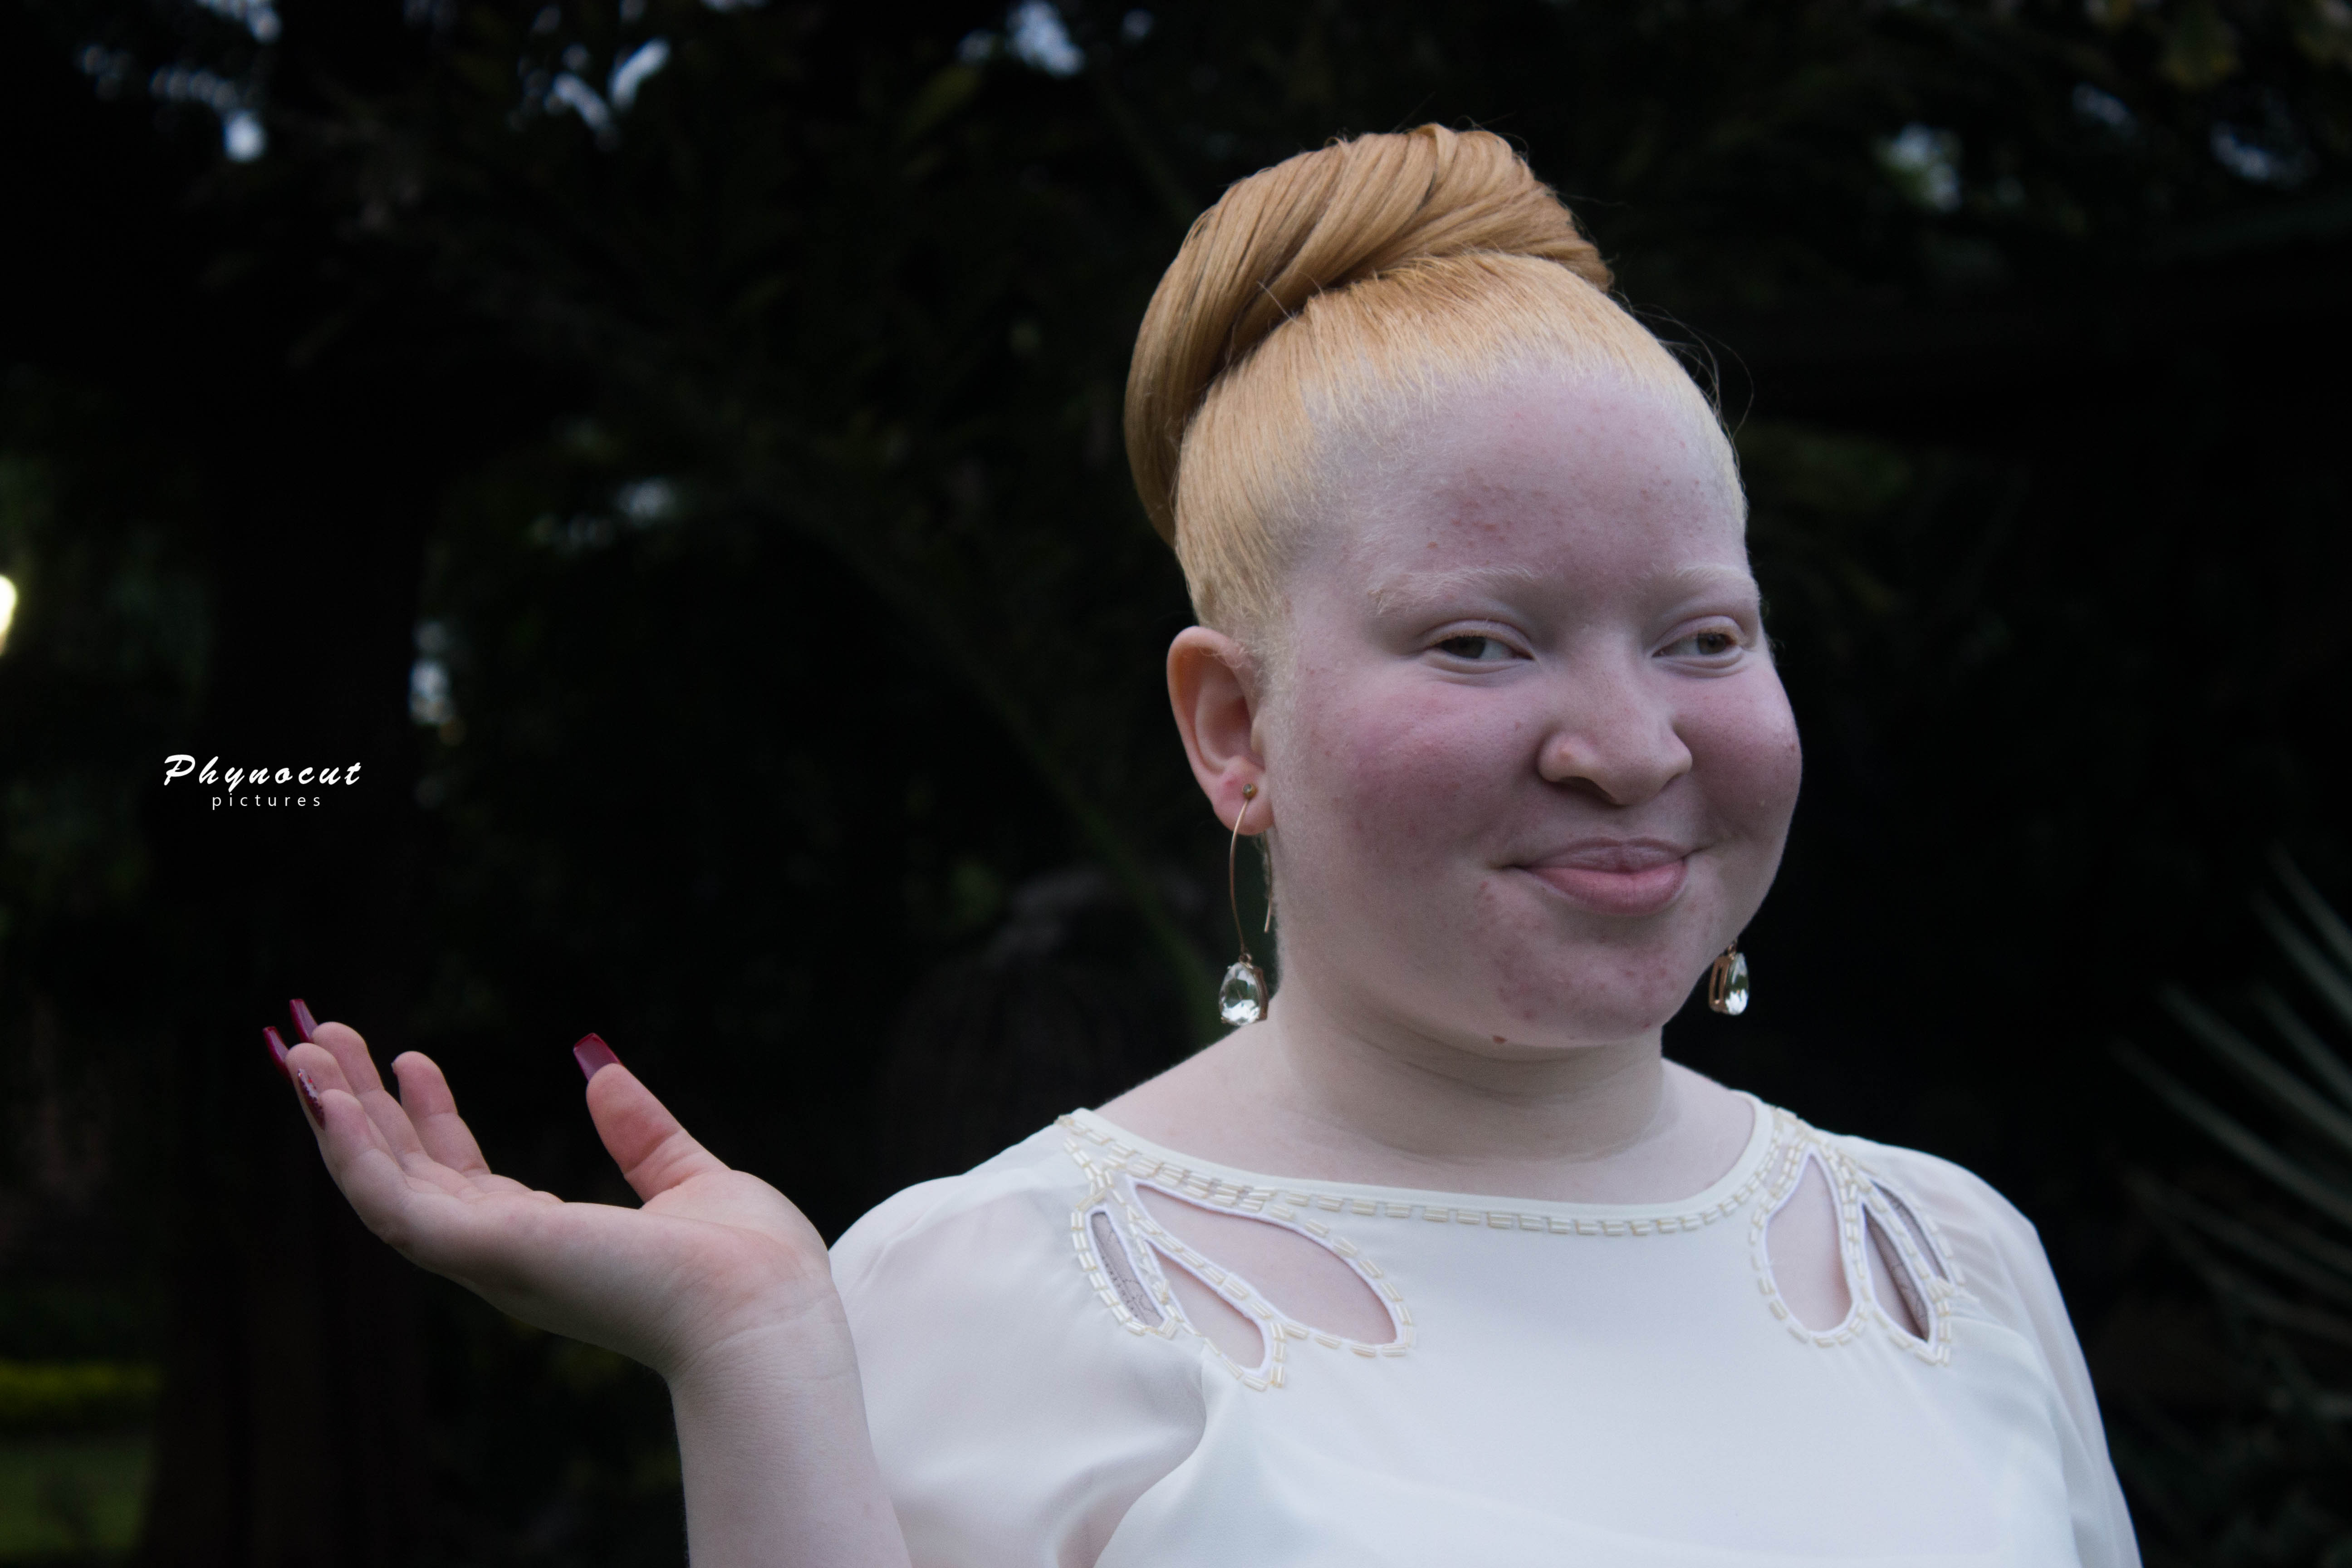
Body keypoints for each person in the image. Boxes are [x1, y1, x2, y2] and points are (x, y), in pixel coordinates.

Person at [270, 126, 2137, 1567]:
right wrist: (756, 1351)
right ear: (1232, 728)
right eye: (1480, 643)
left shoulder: (1952, 1263)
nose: (1631, 744)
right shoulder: (983, 1290)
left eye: (1705, 637)